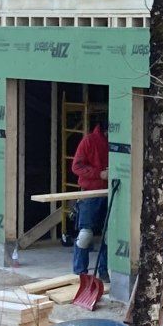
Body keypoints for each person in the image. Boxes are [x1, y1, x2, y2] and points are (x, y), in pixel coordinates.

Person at [70, 116, 111, 288]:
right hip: (91, 193)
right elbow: (76, 167)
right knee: (85, 235)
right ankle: (80, 273)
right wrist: (99, 174)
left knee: (108, 236)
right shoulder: (89, 141)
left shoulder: (115, 142)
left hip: (110, 192)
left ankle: (103, 271)